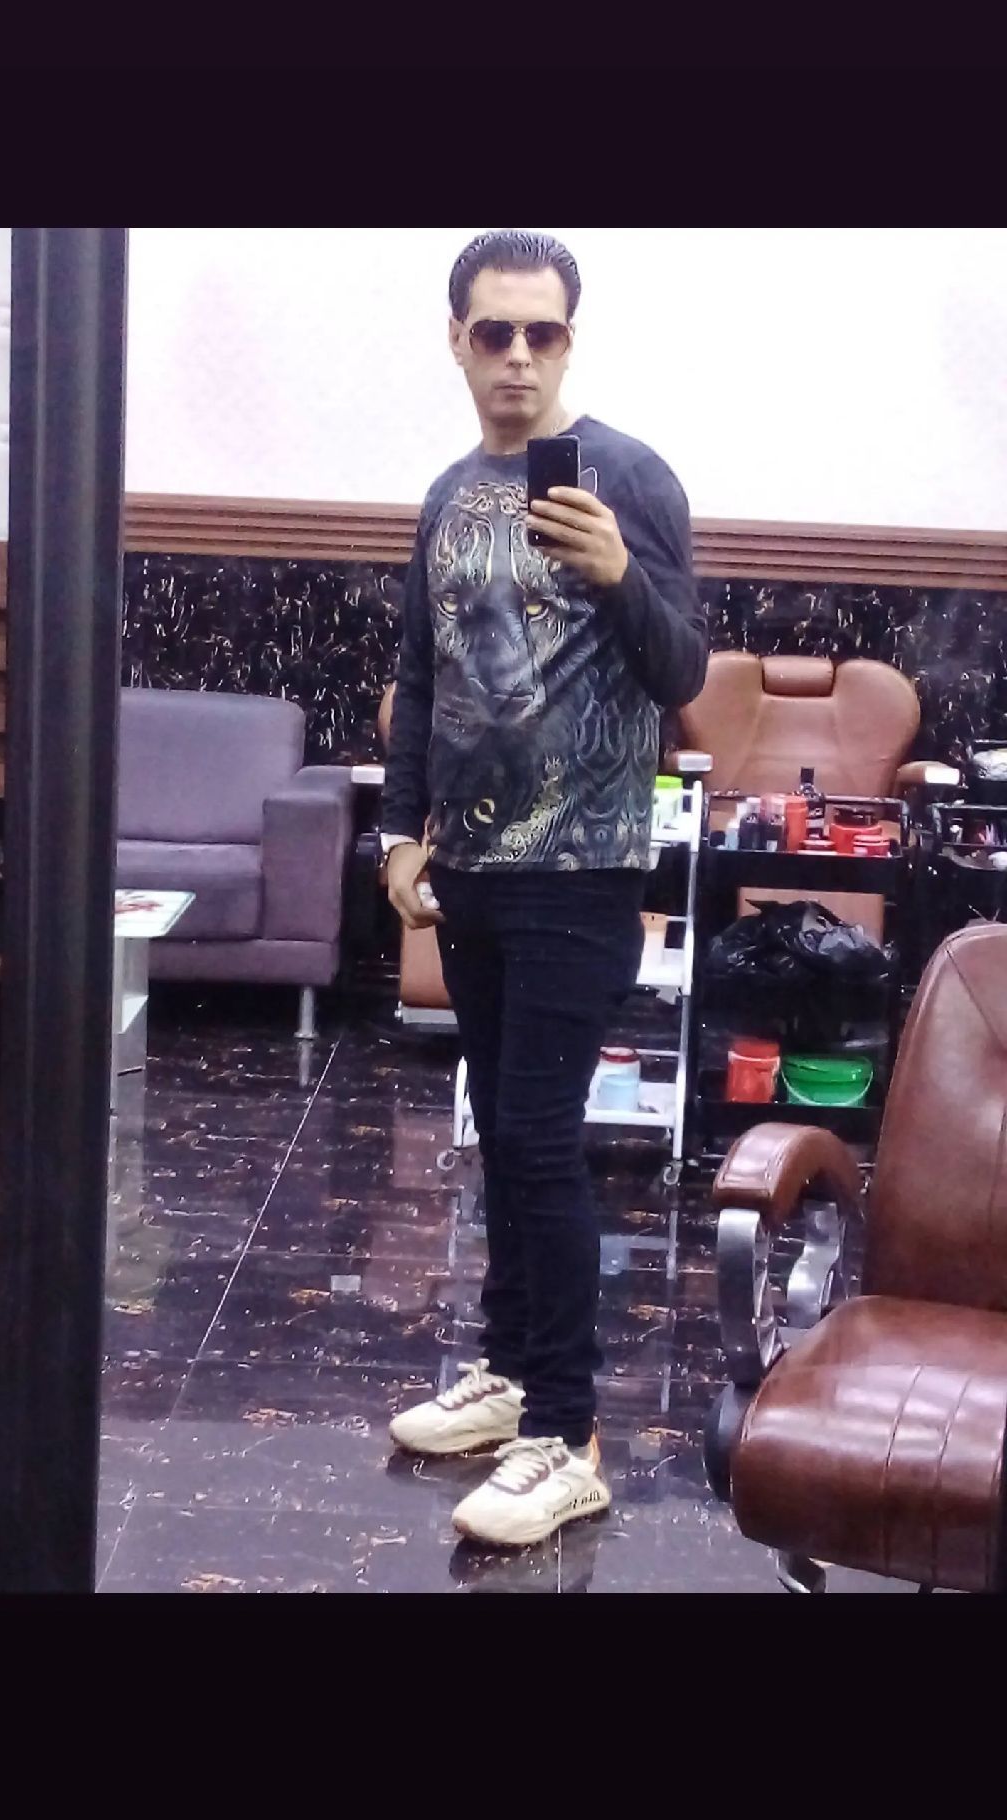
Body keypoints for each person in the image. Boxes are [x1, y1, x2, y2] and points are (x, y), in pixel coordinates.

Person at [380, 229, 708, 1549]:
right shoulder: (447, 495)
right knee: (504, 1140)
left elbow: (683, 672)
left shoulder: (632, 478)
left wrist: (618, 573)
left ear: (571, 339)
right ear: (457, 340)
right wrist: (398, 835)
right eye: (495, 332)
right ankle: (512, 1373)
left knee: (534, 1138)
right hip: (469, 873)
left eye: (544, 332)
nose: (518, 356)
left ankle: (568, 1437)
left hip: (583, 869)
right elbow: (422, 675)